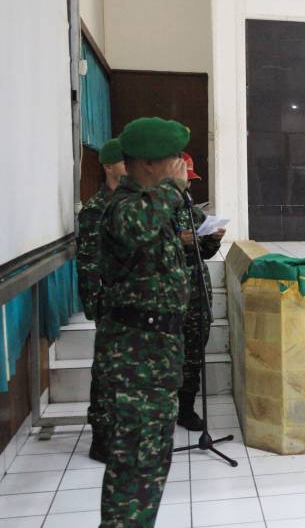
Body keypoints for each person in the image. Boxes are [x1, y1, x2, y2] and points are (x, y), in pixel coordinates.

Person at [95, 117, 191, 527]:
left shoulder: (152, 206)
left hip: (156, 358)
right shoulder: (124, 207)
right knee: (135, 464)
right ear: (150, 163)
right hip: (135, 362)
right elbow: (136, 229)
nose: (180, 165)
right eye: (174, 157)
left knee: (149, 463)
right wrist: (173, 189)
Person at [76, 138, 127, 462]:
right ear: (109, 166)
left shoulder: (133, 202)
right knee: (107, 373)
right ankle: (102, 438)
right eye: (125, 161)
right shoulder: (97, 208)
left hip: (132, 303)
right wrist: (95, 305)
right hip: (109, 303)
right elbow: (88, 262)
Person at [175, 152, 225, 430]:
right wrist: (177, 240)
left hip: (197, 294)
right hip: (171, 295)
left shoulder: (193, 212)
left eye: (190, 179)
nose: (189, 184)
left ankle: (186, 410)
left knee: (194, 356)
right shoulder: (157, 212)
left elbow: (204, 252)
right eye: (185, 177)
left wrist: (213, 238)